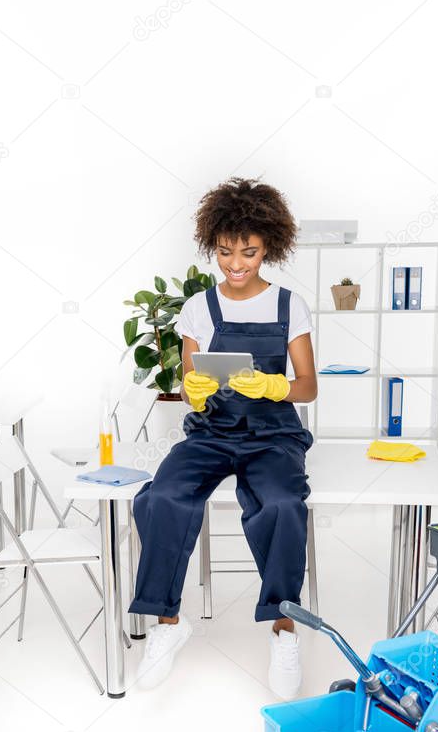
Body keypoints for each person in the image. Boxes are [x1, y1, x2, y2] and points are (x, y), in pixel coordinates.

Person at [128, 176, 317, 698]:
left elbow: (309, 386)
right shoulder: (197, 308)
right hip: (211, 432)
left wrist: (277, 386)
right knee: (163, 497)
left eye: (249, 252)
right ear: (213, 246)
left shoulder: (288, 306)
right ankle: (168, 624)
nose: (236, 264)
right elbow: (190, 390)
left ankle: (283, 629)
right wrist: (194, 385)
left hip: (272, 434)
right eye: (226, 252)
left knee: (282, 505)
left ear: (268, 249)